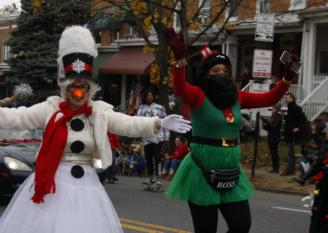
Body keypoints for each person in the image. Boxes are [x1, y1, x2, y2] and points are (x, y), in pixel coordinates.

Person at [0, 25, 191, 233]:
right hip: (53, 183)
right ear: (65, 88)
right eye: (73, 87)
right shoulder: (51, 108)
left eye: (83, 88)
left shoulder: (99, 112)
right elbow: (17, 117)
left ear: (90, 89)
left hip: (87, 187)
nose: (78, 93)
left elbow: (128, 123)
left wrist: (158, 123)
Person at [164, 28, 296, 233]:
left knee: (241, 225)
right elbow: (180, 88)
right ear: (206, 73)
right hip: (202, 170)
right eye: (215, 71)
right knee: (206, 229)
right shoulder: (198, 95)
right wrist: (179, 58)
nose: (221, 75)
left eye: (225, 71)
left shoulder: (237, 96)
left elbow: (269, 99)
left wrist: (286, 80)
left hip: (230, 170)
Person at [137, 90, 168, 183]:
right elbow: (138, 122)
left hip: (158, 137)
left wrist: (166, 135)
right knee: (148, 158)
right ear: (145, 97)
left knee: (157, 158)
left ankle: (158, 177)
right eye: (148, 95)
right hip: (147, 138)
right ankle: (150, 177)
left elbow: (166, 120)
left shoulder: (159, 108)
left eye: (151, 95)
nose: (150, 97)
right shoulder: (141, 109)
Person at [282, 92, 310, 176]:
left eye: (287, 98)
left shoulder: (296, 108)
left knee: (291, 153)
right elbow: (291, 119)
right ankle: (291, 169)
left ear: (292, 98)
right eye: (285, 98)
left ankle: (290, 170)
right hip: (289, 132)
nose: (286, 99)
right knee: (290, 152)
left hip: (293, 133)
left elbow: (303, 119)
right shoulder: (290, 108)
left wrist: (298, 127)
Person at [261, 104, 282, 173]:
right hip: (270, 136)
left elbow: (274, 126)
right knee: (272, 152)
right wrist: (264, 123)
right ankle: (274, 167)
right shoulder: (272, 116)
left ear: (276, 109)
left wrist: (267, 122)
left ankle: (276, 168)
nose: (272, 109)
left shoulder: (279, 116)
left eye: (274, 108)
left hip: (275, 137)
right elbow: (269, 127)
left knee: (274, 152)